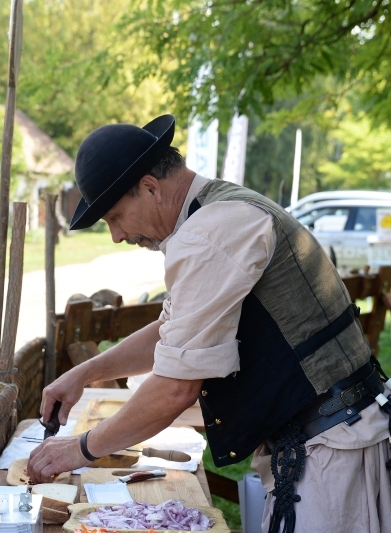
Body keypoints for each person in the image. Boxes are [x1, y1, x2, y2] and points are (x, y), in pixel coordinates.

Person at [27, 115, 391, 533]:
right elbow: (172, 329)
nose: (116, 235)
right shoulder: (218, 213)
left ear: (149, 187)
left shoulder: (209, 232)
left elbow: (176, 388)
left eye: (115, 216)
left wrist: (80, 449)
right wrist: (87, 371)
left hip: (331, 452)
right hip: (330, 438)